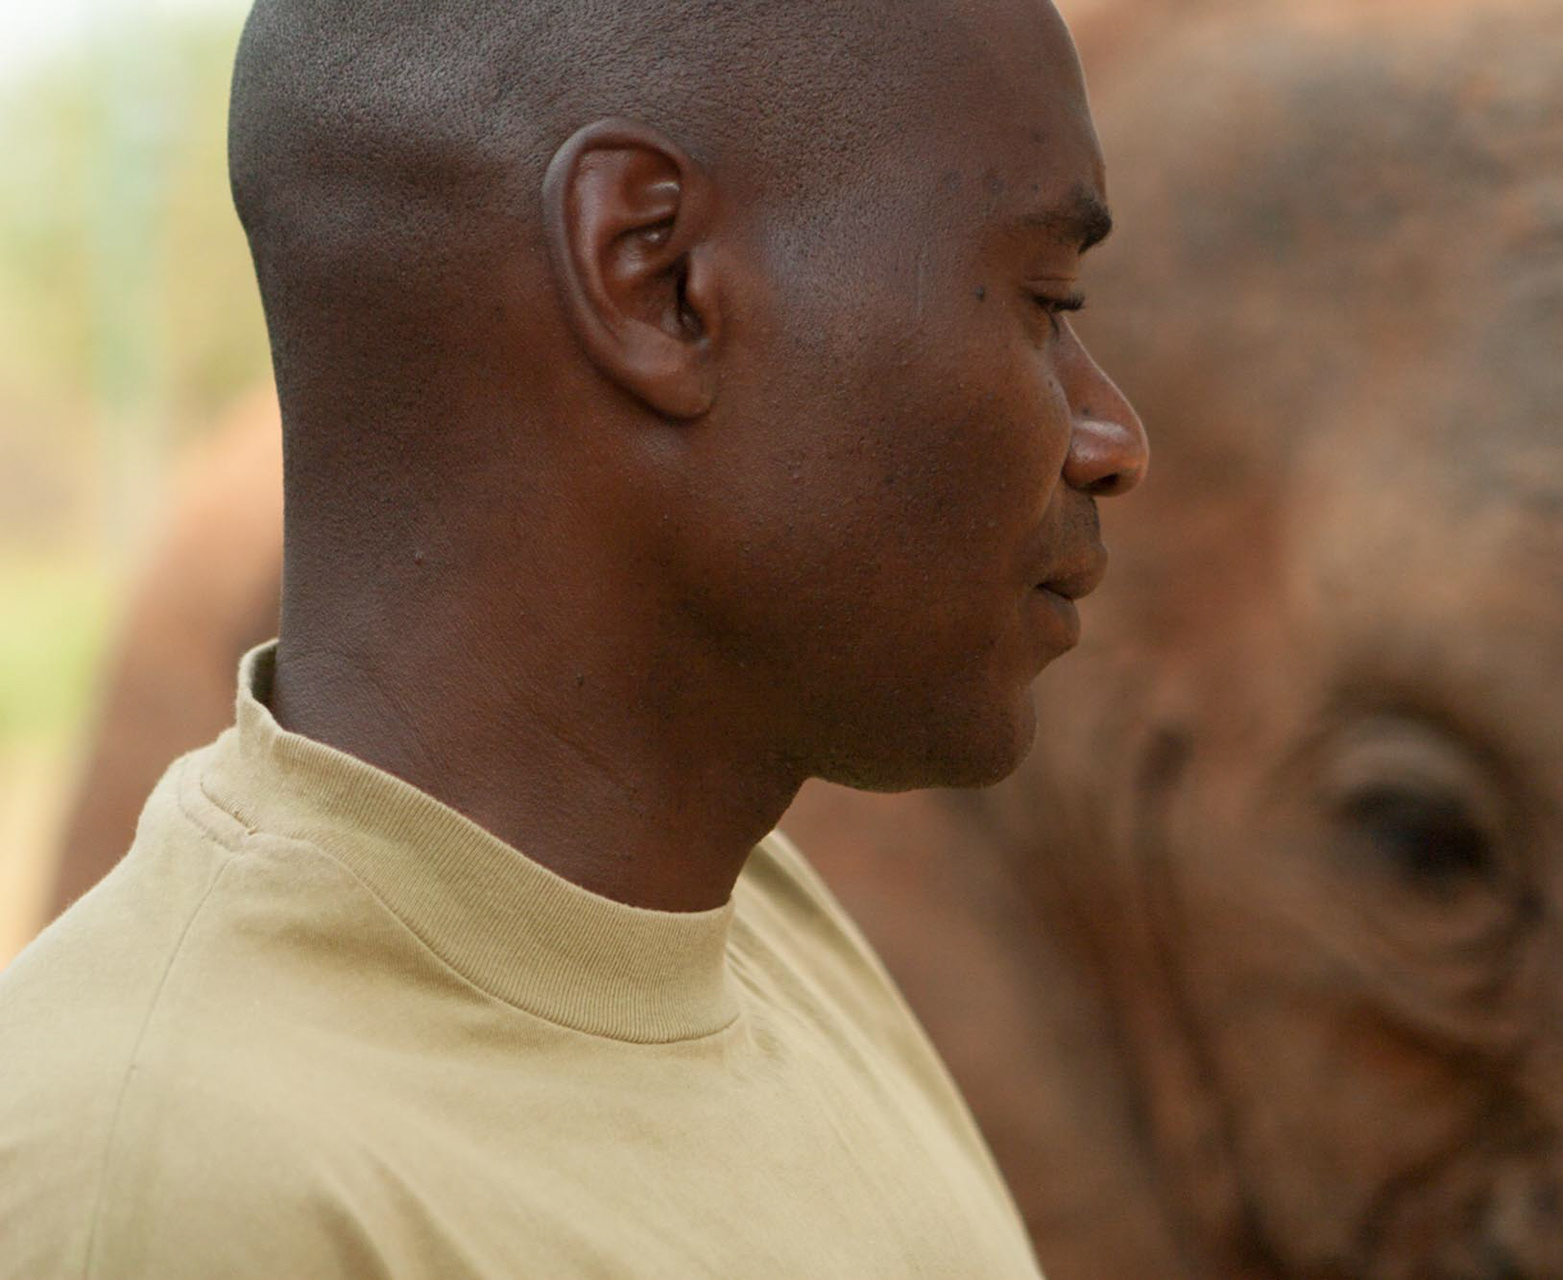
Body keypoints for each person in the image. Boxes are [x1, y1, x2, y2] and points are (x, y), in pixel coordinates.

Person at [0, 0, 1147, 1274]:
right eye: (1048, 299)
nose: (1113, 438)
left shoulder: (750, 927)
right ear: (655, 278)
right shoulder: (167, 1187)